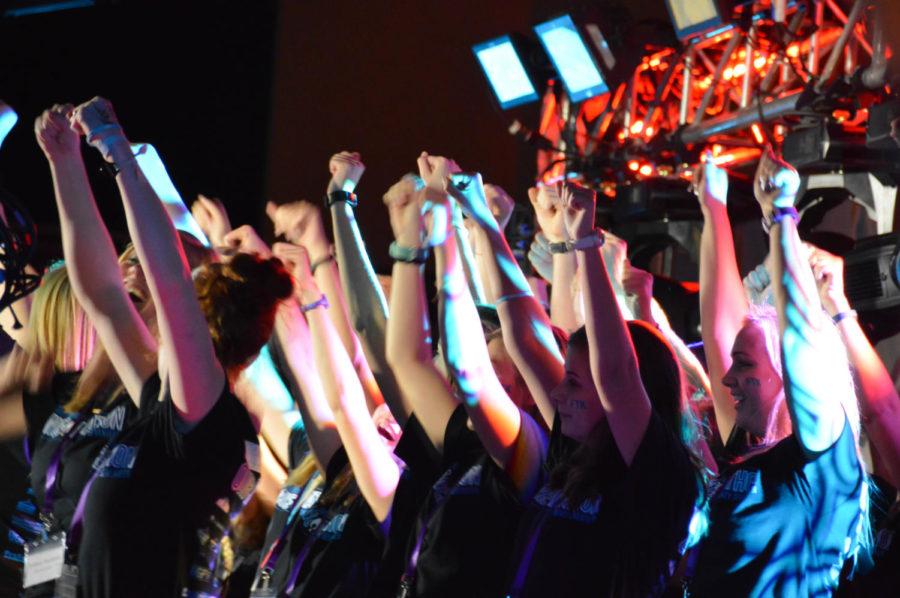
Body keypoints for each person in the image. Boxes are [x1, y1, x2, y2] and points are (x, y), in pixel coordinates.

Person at [35, 97, 292, 596]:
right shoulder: (162, 406)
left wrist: (117, 150)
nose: (137, 274)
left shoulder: (208, 422)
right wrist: (64, 163)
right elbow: (102, 294)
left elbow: (169, 279)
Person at [687, 151, 867, 596]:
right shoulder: (746, 446)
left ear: (788, 374)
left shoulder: (821, 455)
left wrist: (781, 218)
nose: (726, 380)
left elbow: (802, 345)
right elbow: (719, 328)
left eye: (745, 366)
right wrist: (713, 207)